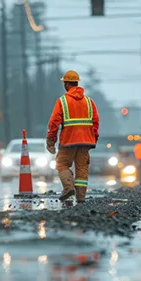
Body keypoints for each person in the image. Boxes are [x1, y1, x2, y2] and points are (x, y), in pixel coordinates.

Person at [46, 70, 100, 204]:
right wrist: (94, 138)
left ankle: (68, 187)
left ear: (67, 84)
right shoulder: (89, 102)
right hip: (86, 142)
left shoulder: (62, 101)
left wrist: (51, 140)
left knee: (61, 164)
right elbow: (95, 122)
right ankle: (81, 197)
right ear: (77, 83)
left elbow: (54, 122)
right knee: (82, 169)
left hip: (68, 141)